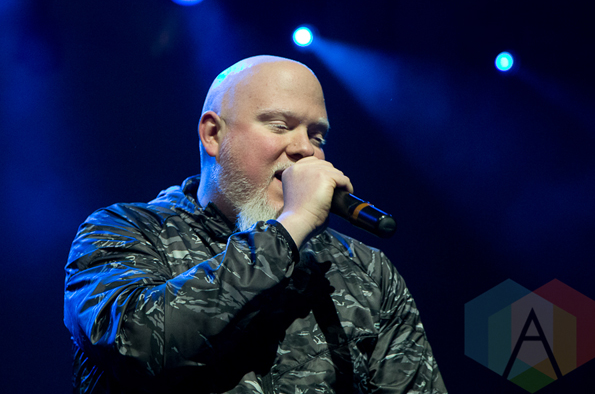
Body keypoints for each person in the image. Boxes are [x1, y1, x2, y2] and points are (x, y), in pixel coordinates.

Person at [64, 55, 447, 393]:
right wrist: (291, 227)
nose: (305, 149)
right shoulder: (121, 230)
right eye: (280, 125)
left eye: (317, 136)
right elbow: (136, 345)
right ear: (213, 134)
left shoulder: (366, 269)